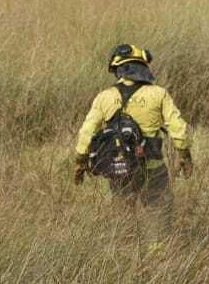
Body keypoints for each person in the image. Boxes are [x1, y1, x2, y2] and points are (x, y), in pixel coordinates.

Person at [73, 43, 192, 207]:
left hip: (120, 168)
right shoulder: (159, 93)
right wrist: (185, 155)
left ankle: (125, 233)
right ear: (143, 66)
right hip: (153, 169)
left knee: (123, 220)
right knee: (158, 218)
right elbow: (179, 130)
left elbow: (86, 133)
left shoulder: (104, 97)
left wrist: (80, 162)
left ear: (118, 70)